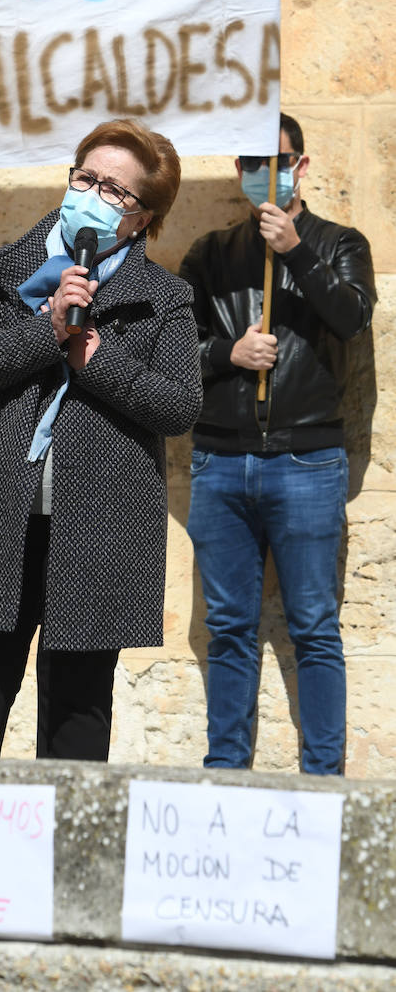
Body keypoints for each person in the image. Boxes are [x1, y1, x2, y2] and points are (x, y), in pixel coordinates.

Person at [0, 119, 202, 762]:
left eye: (115, 190)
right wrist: (46, 332)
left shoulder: (166, 299)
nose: (92, 193)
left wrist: (98, 362)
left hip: (99, 525)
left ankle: (66, 854)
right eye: (86, 177)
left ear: (142, 219)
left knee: (78, 708)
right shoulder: (12, 268)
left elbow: (179, 405)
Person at [179, 112, 376, 775]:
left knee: (314, 628)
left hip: (305, 460)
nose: (269, 173)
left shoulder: (341, 242)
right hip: (220, 460)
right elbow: (172, 349)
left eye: (281, 161)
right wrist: (227, 353)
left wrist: (295, 249)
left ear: (303, 165)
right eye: (255, 163)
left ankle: (324, 778)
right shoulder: (210, 253)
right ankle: (225, 769)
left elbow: (349, 315)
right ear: (239, 171)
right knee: (229, 628)